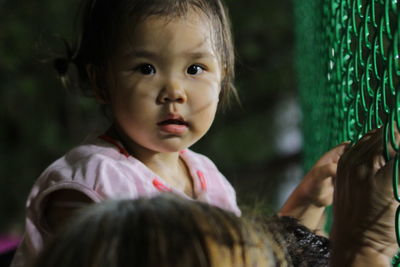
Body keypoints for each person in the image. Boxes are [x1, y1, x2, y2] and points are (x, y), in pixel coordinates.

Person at [11, 0, 345, 266]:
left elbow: (245, 259)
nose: (174, 91)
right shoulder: (90, 182)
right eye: (146, 68)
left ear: (223, 77)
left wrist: (309, 200)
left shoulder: (207, 177)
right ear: (102, 82)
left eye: (195, 69)